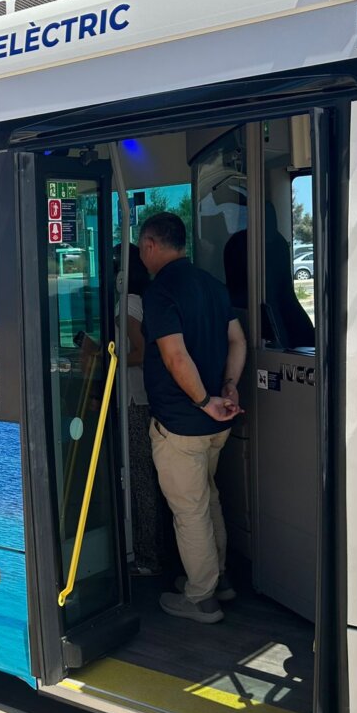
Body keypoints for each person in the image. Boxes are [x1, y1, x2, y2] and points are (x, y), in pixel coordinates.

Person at [139, 212, 246, 624]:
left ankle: (201, 597)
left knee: (190, 511)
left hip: (182, 423)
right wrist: (229, 389)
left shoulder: (160, 290)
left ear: (150, 245)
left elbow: (174, 356)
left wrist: (204, 401)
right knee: (209, 498)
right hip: (217, 424)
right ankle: (220, 580)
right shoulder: (212, 286)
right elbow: (237, 340)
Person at [115, 243, 164, 576]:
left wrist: (110, 360)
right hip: (149, 397)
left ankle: (147, 555)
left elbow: (141, 352)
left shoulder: (128, 303)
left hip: (134, 398)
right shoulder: (146, 298)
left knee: (140, 477)